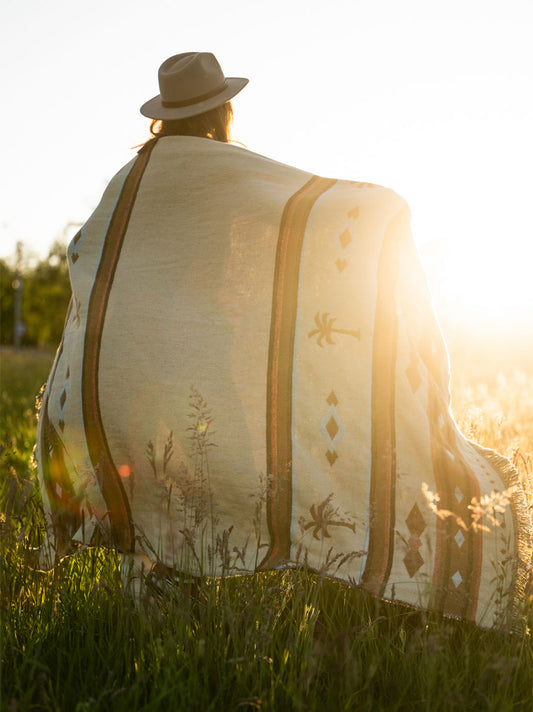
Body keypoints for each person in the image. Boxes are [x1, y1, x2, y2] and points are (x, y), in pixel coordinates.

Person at [35, 52, 531, 630]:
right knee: (232, 475)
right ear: (222, 109)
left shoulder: (131, 179)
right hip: (202, 359)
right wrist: (378, 211)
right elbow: (293, 210)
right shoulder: (221, 168)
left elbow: (86, 248)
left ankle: (155, 599)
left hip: (129, 368)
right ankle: (206, 593)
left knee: (154, 478)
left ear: (163, 114)